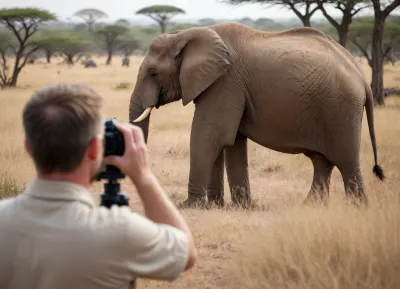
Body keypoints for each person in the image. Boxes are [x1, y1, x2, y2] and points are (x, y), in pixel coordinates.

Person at [0, 83, 197, 289]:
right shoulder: (120, 231)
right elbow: (185, 254)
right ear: (95, 149)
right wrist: (144, 176)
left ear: (28, 149)